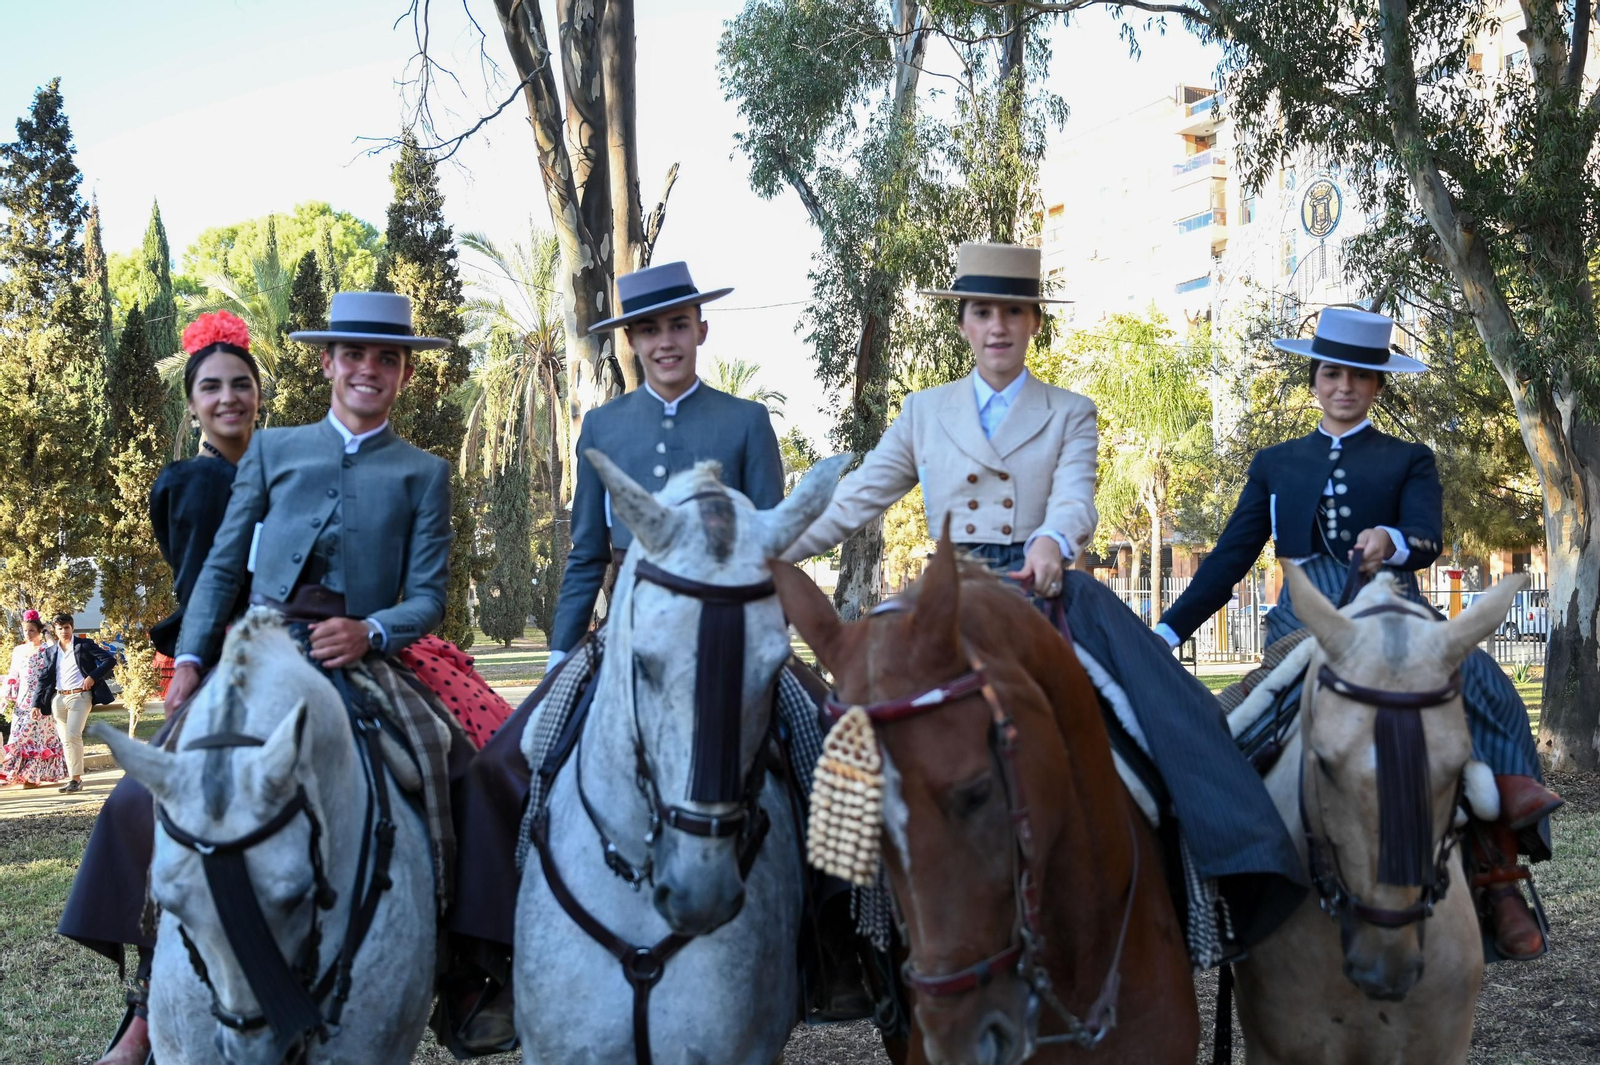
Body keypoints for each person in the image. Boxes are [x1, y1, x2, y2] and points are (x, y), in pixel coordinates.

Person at [784, 242, 1306, 957]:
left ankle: (1217, 873)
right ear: (963, 324)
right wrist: (770, 549)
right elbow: (854, 500)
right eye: (981, 311)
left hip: (1042, 586)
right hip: (947, 590)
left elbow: (1076, 497)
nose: (997, 325)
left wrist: (1053, 541)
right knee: (855, 714)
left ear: (1034, 323)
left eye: (1013, 311)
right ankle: (848, 928)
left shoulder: (1069, 412)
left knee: (1160, 708)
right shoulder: (923, 412)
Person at [446, 261, 788, 1051]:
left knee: (816, 746)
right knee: (504, 762)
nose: (664, 341)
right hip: (626, 635)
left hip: (731, 633)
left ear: (701, 328)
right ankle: (494, 957)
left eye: (677, 325)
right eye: (648, 330)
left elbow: (773, 544)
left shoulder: (745, 423)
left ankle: (835, 949)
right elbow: (586, 552)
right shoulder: (604, 426)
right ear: (630, 341)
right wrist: (566, 647)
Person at [1156, 306, 1561, 961]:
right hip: (1302, 617)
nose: (1343, 385)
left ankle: (1500, 870)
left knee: (1485, 680)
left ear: (1378, 386)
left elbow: (1427, 539)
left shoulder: (1409, 458)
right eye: (1331, 372)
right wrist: (1166, 633)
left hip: (1395, 611)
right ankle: (1227, 878)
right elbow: (1230, 558)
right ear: (1314, 378)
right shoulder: (1276, 462)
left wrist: (1392, 540)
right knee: (1239, 722)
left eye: (1359, 376)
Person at [63, 308, 265, 1065]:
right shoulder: (192, 483)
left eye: (239, 384)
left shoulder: (290, 468)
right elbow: (205, 591)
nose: (226, 397)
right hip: (221, 661)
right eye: (210, 387)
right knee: (139, 802)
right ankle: (147, 1011)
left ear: (257, 393)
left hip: (305, 648)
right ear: (193, 404)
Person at [32, 612, 116, 794]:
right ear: (55, 630)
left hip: (80, 696)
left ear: (72, 627)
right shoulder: (51, 651)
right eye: (60, 628)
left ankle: (76, 779)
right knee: (65, 740)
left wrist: (92, 677)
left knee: (72, 736)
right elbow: (44, 678)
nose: (64, 631)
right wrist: (35, 704)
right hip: (59, 699)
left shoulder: (84, 645)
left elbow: (110, 659)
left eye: (67, 627)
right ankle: (73, 779)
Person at [1, 610, 66, 786]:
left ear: (38, 631)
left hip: (41, 699)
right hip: (22, 700)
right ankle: (14, 774)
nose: (28, 634)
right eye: (25, 631)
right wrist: (5, 696)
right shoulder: (18, 650)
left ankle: (32, 777)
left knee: (37, 737)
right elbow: (13, 674)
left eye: (32, 630)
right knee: (18, 736)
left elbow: (56, 648)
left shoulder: (46, 649)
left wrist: (47, 632)